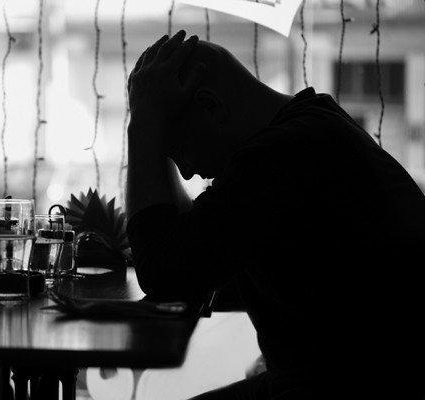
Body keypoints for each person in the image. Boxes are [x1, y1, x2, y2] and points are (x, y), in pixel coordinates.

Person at [125, 30, 425, 400]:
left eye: (178, 150)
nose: (186, 172)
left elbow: (165, 275)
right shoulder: (312, 123)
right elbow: (188, 251)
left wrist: (143, 128)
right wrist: (152, 125)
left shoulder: (280, 156)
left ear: (211, 105)